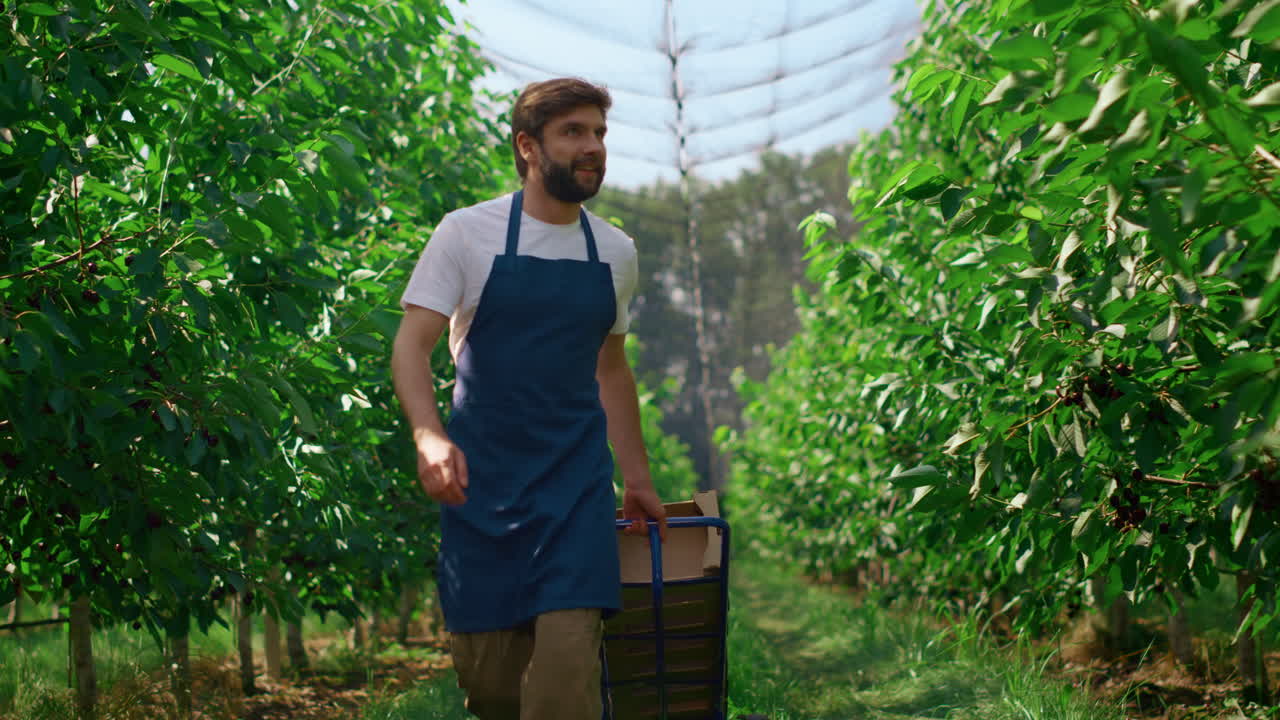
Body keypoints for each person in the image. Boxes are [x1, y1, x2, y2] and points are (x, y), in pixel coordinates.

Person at [390, 77, 668, 720]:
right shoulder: (466, 234)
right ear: (528, 146)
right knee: (491, 688)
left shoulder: (616, 252)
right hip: (481, 486)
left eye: (599, 132)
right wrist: (429, 436)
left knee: (566, 675)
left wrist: (637, 475)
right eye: (573, 132)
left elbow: (612, 369)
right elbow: (411, 347)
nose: (593, 146)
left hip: (575, 489)